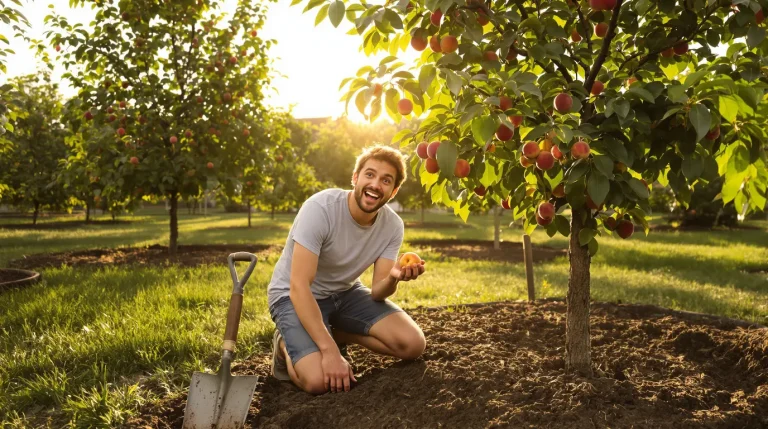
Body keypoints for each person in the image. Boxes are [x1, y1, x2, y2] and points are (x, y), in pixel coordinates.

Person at [267, 144, 427, 395]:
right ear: (355, 178)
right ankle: (285, 346)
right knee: (319, 382)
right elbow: (299, 287)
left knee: (412, 345)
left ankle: (336, 333)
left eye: (386, 180)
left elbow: (377, 292)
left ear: (393, 191)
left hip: (345, 293)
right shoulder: (320, 209)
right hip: (293, 296)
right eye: (370, 174)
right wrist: (330, 354)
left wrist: (394, 277)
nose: (376, 185)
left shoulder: (392, 225)